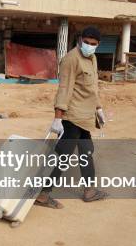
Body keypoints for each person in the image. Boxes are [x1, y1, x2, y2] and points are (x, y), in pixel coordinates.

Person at [35, 26, 107, 209]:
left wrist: (98, 108)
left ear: (98, 45)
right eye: (86, 42)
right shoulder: (71, 59)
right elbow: (64, 88)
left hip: (85, 116)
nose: (89, 46)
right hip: (72, 116)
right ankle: (43, 194)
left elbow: (92, 87)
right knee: (62, 155)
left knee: (86, 150)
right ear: (80, 40)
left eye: (93, 44)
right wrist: (58, 117)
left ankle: (89, 191)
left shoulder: (93, 59)